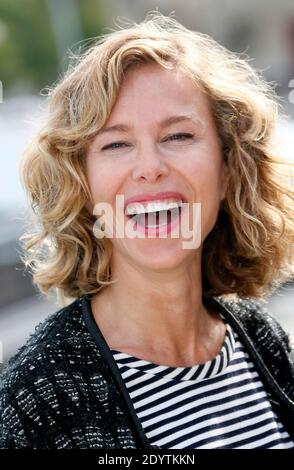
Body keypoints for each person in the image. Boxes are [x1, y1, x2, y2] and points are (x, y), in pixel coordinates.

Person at [0, 12, 293, 450]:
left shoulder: (262, 341)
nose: (150, 169)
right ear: (82, 186)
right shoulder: (37, 396)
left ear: (229, 168)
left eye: (178, 136)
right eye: (116, 144)